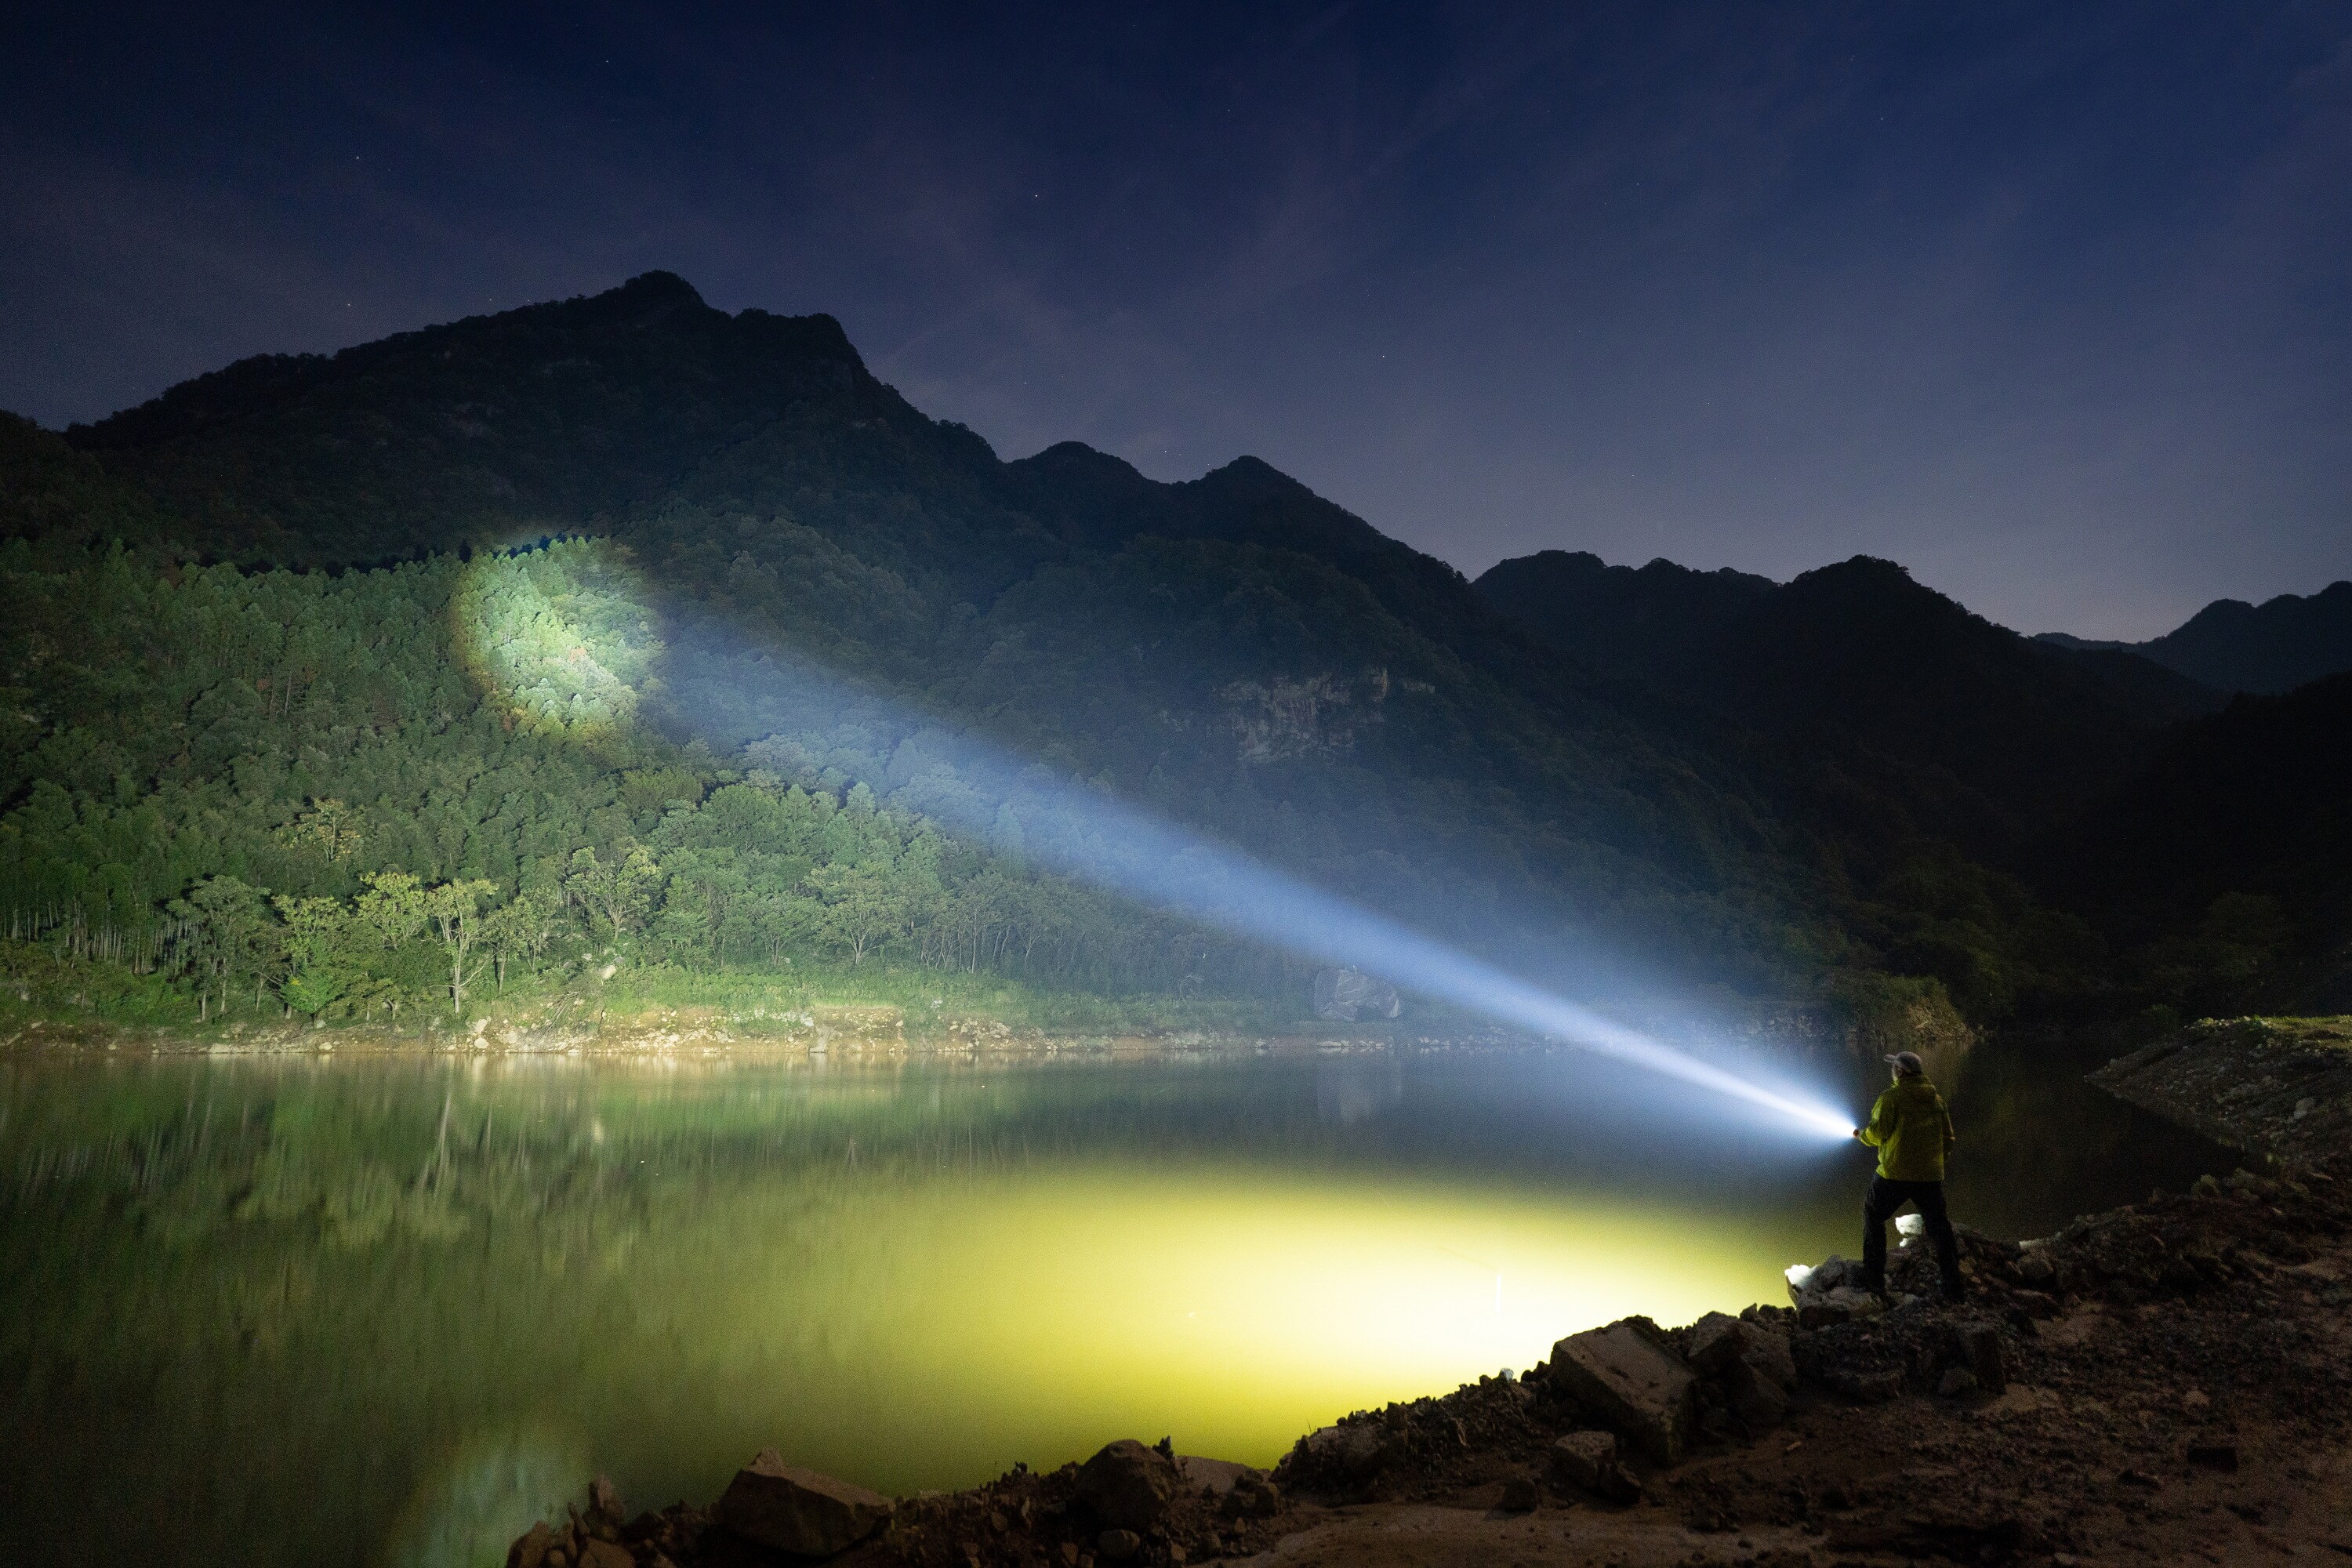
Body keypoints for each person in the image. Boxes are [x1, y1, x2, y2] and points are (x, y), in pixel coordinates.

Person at [1853, 1050, 1965, 1303]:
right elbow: (1949, 1138)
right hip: (1929, 1176)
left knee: (1873, 1216)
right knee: (1940, 1229)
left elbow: (1878, 1132)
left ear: (1901, 1072)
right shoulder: (1936, 1099)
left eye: (1894, 1067)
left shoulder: (1892, 1097)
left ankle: (1874, 1283)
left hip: (1894, 1174)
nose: (1892, 1070)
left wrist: (1862, 1136)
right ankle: (1954, 1288)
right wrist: (1935, 1163)